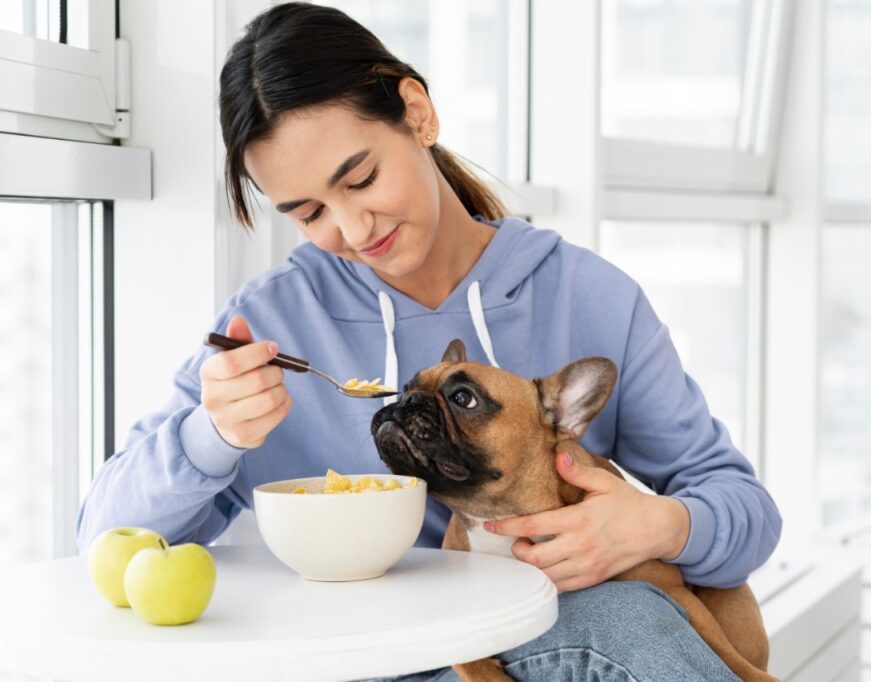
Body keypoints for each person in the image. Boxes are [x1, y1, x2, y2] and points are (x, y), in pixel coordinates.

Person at [76, 3, 781, 680]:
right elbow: (101, 540)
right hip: (341, 662)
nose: (353, 230)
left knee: (628, 621)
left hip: (536, 648)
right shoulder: (271, 323)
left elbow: (747, 515)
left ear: (418, 113)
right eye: (309, 212)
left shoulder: (587, 296)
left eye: (361, 179)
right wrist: (212, 433)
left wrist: (659, 527)